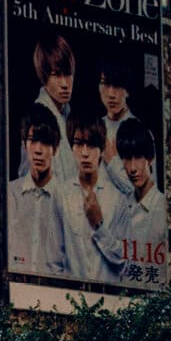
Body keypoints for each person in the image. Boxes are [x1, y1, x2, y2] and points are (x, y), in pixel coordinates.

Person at [96, 118, 166, 287]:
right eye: (127, 158)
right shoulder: (121, 205)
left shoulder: (162, 207)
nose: (133, 168)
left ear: (150, 159)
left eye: (138, 157)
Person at [55, 117, 120, 282]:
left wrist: (99, 226)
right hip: (69, 295)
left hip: (107, 295)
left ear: (102, 149)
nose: (84, 153)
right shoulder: (61, 195)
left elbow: (123, 259)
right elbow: (53, 259)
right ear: (71, 147)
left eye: (91, 145)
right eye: (78, 144)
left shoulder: (117, 198)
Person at [8, 104, 66, 276]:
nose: (38, 150)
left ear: (55, 148)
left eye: (46, 142)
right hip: (15, 289)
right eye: (33, 141)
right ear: (24, 144)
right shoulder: (9, 194)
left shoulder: (68, 199)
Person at [15, 34, 78, 185]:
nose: (65, 84)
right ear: (44, 76)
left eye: (68, 74)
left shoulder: (68, 115)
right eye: (56, 75)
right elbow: (27, 180)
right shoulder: (37, 119)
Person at [96, 56, 143, 195]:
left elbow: (143, 192)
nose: (111, 94)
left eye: (117, 85)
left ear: (127, 90)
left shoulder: (141, 132)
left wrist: (112, 161)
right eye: (105, 84)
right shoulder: (95, 128)